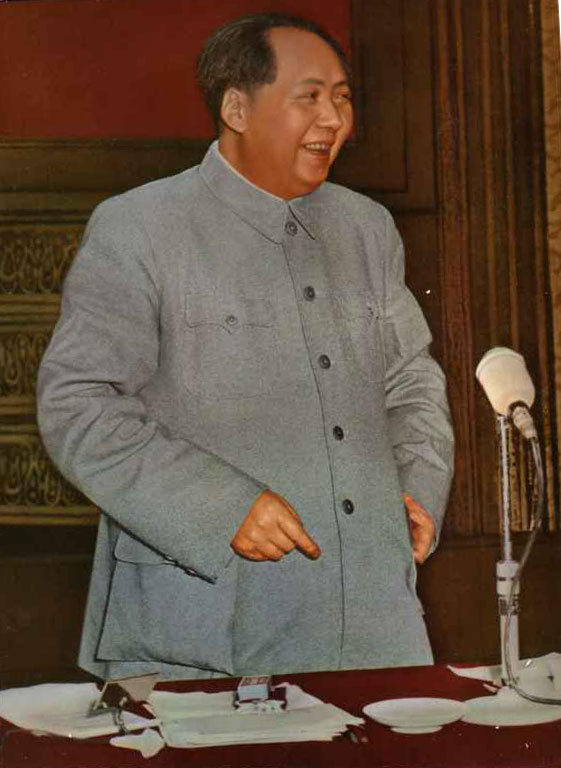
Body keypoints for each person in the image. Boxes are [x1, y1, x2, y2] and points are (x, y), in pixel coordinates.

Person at [37, 12, 454, 681]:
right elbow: (79, 405)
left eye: (342, 98)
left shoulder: (367, 228)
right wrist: (219, 506)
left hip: (374, 633)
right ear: (236, 108)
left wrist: (418, 488)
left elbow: (411, 383)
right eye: (308, 97)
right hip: (200, 636)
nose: (333, 120)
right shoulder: (138, 227)